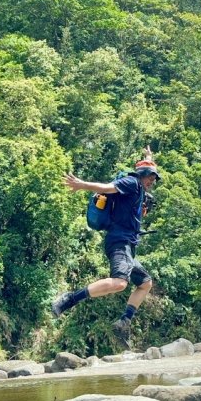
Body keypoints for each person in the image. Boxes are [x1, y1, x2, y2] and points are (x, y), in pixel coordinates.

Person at [53, 146, 161, 349]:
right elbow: (107, 188)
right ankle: (69, 300)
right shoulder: (131, 182)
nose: (152, 182)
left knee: (145, 283)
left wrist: (149, 157)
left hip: (128, 245)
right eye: (150, 178)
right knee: (120, 283)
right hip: (119, 241)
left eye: (154, 179)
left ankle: (124, 321)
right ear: (142, 175)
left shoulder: (139, 191)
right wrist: (82, 185)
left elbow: (147, 169)